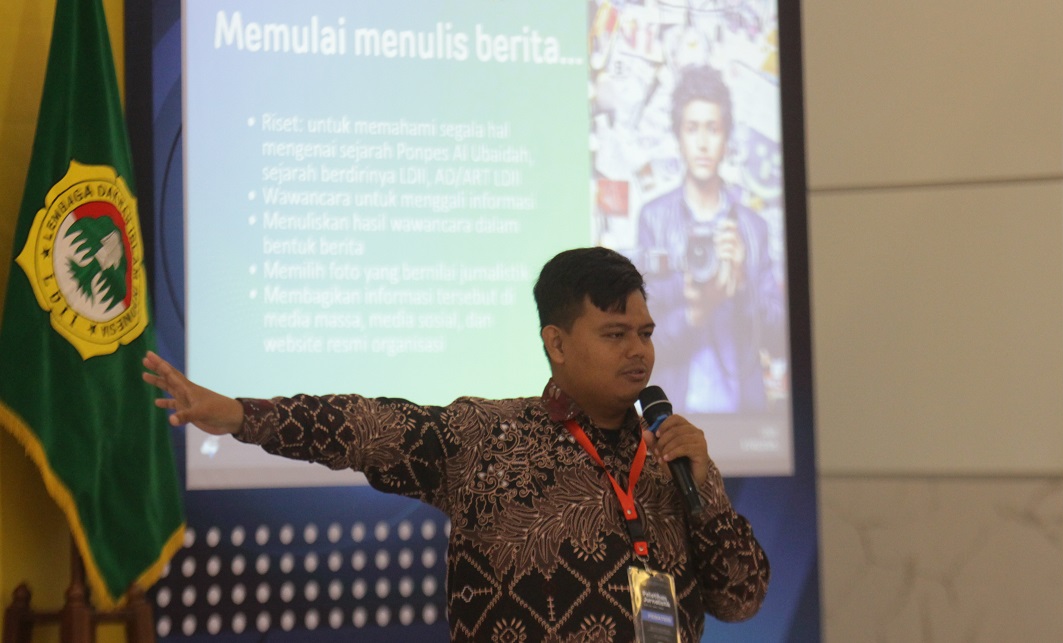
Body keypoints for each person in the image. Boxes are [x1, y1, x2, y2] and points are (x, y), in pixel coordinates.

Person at [143, 247, 769, 642]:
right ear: (556, 343)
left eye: (645, 333)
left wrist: (707, 497)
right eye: (614, 334)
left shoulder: (673, 457)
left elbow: (741, 600)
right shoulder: (487, 438)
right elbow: (366, 426)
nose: (638, 351)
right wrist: (241, 415)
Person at [636, 65, 785, 414]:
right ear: (678, 136)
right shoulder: (654, 219)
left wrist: (742, 285)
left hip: (744, 418)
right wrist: (695, 314)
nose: (702, 143)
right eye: (692, 129)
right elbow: (640, 344)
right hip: (674, 418)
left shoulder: (752, 228)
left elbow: (779, 339)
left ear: (726, 138)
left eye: (713, 129)